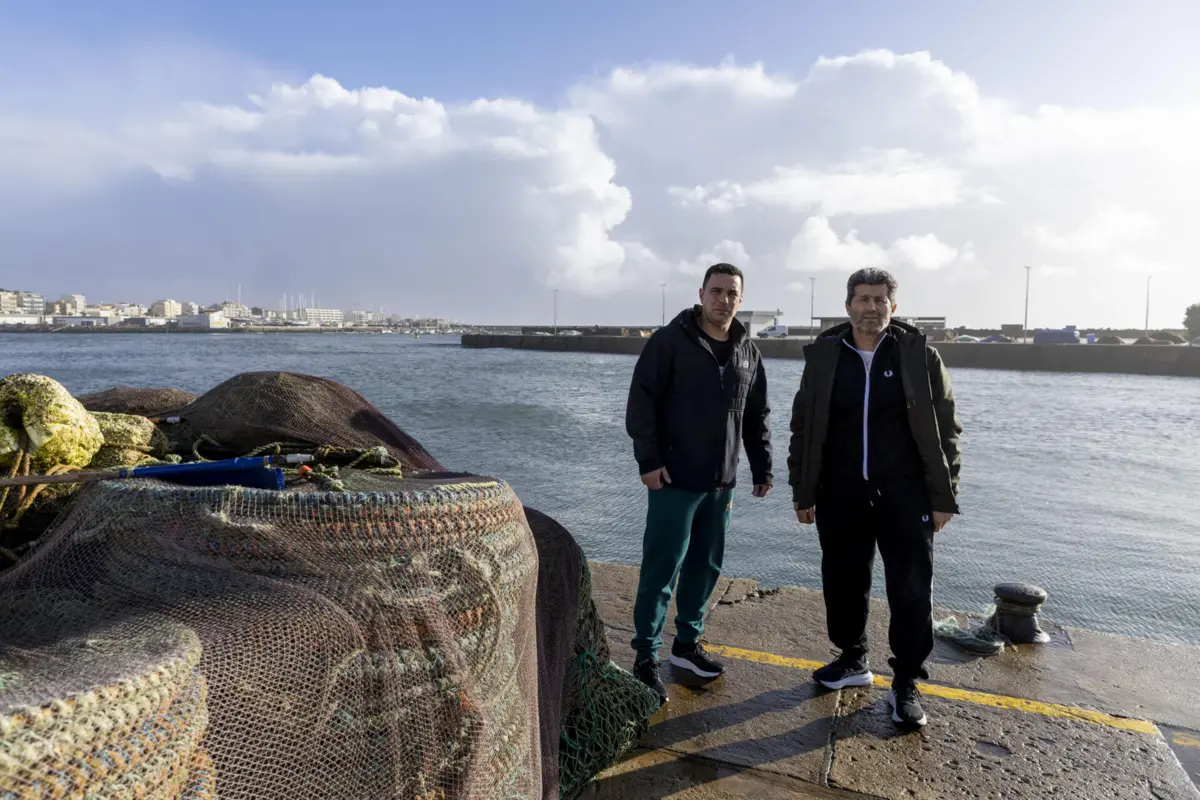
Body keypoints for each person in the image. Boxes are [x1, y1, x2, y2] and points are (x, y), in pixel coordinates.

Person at [786, 267, 962, 727]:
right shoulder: (825, 356)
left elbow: (946, 429)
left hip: (905, 495)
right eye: (862, 299)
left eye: (880, 299)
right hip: (840, 492)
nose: (871, 307)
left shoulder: (919, 356)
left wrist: (944, 496)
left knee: (909, 588)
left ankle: (905, 682)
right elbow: (803, 425)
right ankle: (852, 659)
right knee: (843, 581)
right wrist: (802, 490)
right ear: (848, 307)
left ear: (893, 307)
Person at [624, 263, 773, 705]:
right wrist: (647, 460)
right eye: (716, 291)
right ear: (701, 293)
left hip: (721, 483)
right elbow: (641, 402)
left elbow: (756, 416)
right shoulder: (670, 342)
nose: (723, 299)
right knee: (661, 569)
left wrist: (762, 469)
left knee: (705, 567)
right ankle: (645, 657)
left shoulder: (749, 352)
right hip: (673, 479)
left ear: (740, 300)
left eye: (732, 293)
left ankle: (687, 646)